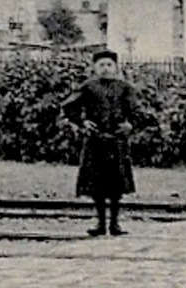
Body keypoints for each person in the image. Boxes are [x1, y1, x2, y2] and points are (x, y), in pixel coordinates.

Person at [62, 49, 154, 237]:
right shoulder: (88, 87)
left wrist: (130, 125)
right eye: (101, 65)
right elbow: (69, 106)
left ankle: (115, 224)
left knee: (116, 185)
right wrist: (82, 122)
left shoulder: (125, 87)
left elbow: (137, 111)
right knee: (96, 185)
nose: (105, 69)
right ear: (95, 67)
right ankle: (100, 223)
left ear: (116, 67)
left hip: (117, 141)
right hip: (95, 141)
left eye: (109, 65)